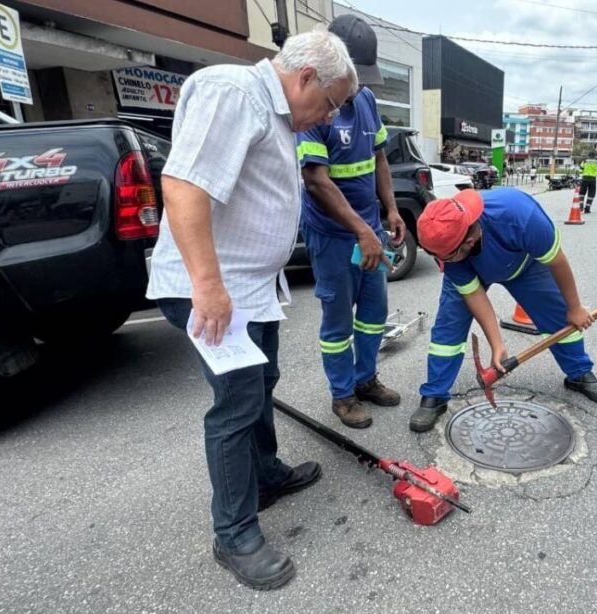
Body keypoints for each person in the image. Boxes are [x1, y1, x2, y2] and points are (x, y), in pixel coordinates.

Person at [146, 30, 358, 590]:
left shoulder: (275, 112)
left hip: (249, 288)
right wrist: (209, 284)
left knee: (263, 381)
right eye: (331, 103)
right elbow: (184, 185)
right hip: (214, 288)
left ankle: (264, 476)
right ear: (306, 76)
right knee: (238, 402)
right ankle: (234, 532)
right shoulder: (235, 92)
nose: (327, 118)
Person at [408, 188, 597, 432]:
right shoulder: (448, 244)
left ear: (468, 241)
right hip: (471, 269)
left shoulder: (520, 215)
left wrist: (575, 308)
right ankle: (435, 393)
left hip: (523, 267)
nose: (439, 262)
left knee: (559, 318)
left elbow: (557, 262)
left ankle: (579, 373)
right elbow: (474, 295)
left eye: (444, 257)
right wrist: (497, 345)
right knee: (448, 329)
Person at [297, 15, 405, 429]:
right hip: (332, 238)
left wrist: (390, 210)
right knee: (339, 321)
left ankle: (366, 380)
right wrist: (362, 229)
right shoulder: (316, 110)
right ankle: (342, 396)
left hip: (368, 231)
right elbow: (316, 179)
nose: (356, 85)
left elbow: (378, 157)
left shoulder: (366, 102)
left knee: (374, 313)